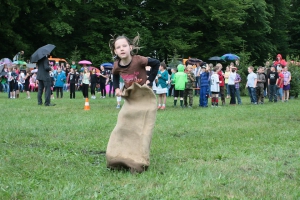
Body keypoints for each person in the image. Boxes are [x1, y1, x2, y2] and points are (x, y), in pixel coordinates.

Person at [107, 34, 160, 173]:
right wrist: (117, 88)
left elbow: (156, 63)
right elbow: (115, 75)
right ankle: (118, 156)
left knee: (143, 128)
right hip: (130, 98)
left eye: (124, 46)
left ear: (130, 47)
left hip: (144, 97)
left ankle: (139, 160)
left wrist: (150, 80)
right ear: (115, 51)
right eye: (118, 47)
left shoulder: (139, 60)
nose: (122, 49)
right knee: (123, 123)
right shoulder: (117, 65)